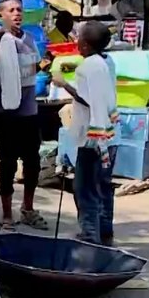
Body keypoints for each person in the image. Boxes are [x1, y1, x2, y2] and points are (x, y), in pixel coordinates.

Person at [51, 21, 119, 246]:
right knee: (103, 186)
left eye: (79, 37)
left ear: (86, 46)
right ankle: (105, 231)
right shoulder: (107, 62)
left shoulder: (87, 68)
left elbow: (86, 98)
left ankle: (90, 235)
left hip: (93, 137)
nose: (76, 40)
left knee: (85, 188)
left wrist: (64, 84)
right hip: (110, 134)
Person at [0, 0, 46, 231]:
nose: (16, 14)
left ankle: (27, 208)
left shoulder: (29, 38)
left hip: (29, 109)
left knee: (32, 161)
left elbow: (34, 66)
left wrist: (44, 65)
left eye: (19, 9)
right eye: (10, 10)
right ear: (0, 15)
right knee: (7, 162)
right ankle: (6, 214)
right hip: (5, 112)